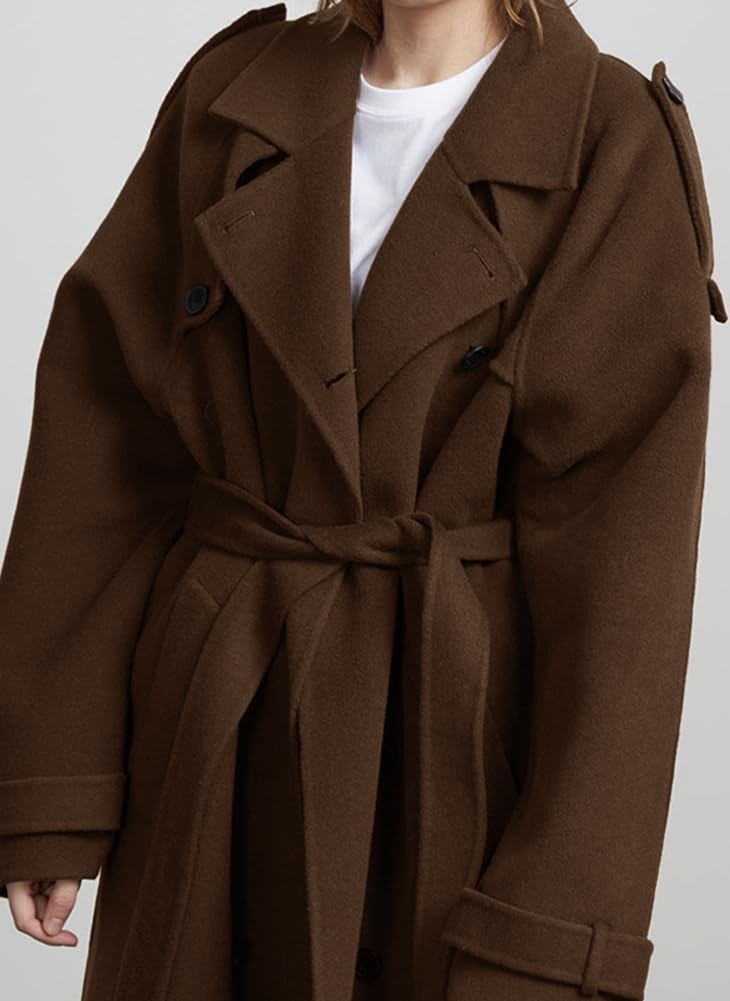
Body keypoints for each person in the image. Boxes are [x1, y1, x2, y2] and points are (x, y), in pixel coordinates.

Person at [0, 0, 725, 999]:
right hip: (212, 744)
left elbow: (623, 585)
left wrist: (548, 934)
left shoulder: (605, 139)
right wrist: (54, 783)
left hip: (448, 768)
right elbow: (106, 446)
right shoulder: (233, 90)